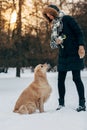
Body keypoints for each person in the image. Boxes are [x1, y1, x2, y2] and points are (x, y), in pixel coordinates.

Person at [42, 4, 86, 112]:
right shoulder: (53, 26)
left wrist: (81, 46)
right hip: (63, 56)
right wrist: (56, 42)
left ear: (54, 12)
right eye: (48, 16)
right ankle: (61, 103)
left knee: (76, 78)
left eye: (51, 15)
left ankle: (82, 104)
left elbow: (79, 33)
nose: (50, 17)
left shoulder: (67, 19)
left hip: (74, 54)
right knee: (60, 80)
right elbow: (52, 45)